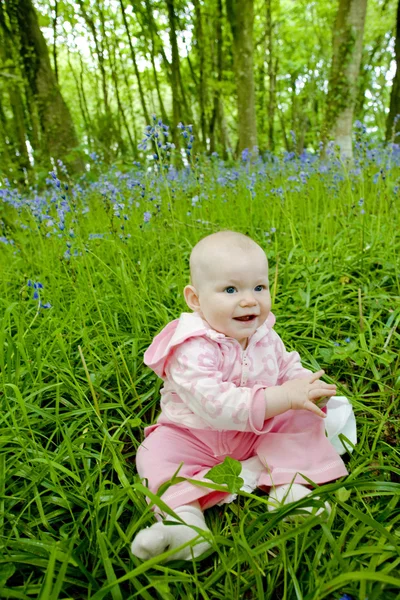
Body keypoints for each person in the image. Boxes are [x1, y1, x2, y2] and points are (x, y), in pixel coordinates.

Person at [131, 231, 349, 562]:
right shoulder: (190, 347)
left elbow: (286, 365)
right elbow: (214, 404)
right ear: (195, 299)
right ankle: (185, 525)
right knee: (155, 453)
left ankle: (289, 490)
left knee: (303, 417)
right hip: (196, 436)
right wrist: (283, 397)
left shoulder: (264, 334)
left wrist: (303, 386)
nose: (249, 300)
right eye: (231, 290)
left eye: (259, 287)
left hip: (256, 432)